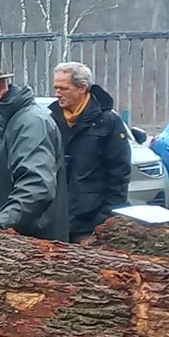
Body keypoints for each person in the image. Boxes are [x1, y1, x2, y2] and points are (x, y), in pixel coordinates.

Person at [0, 54, 68, 243]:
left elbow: (36, 187)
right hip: (2, 247)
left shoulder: (31, 123)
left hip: (31, 250)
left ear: (1, 86)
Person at [51, 61, 131, 242]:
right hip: (56, 219)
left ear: (82, 88)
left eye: (63, 88)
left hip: (90, 223)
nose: (57, 93)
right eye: (55, 87)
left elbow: (119, 174)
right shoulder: (51, 120)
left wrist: (105, 220)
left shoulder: (108, 121)